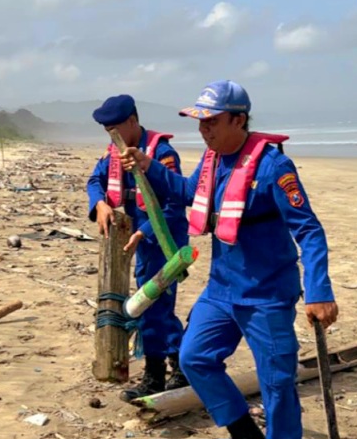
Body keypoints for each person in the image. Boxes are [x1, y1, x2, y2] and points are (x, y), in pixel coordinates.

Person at [119, 80, 339, 438]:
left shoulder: (273, 168)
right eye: (200, 123)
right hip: (221, 290)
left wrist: (319, 291)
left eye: (212, 122)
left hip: (266, 294)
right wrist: (147, 165)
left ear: (239, 120)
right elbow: (189, 192)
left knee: (277, 383)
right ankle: (244, 431)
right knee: (194, 358)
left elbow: (309, 231)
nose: (204, 130)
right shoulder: (212, 159)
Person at [86, 94, 191, 402]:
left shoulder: (162, 153)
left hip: (163, 242)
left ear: (132, 121)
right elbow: (95, 180)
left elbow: (174, 207)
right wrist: (100, 203)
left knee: (155, 305)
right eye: (106, 130)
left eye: (115, 128)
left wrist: (144, 233)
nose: (111, 135)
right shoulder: (112, 154)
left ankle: (162, 373)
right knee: (149, 306)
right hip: (136, 243)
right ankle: (172, 366)